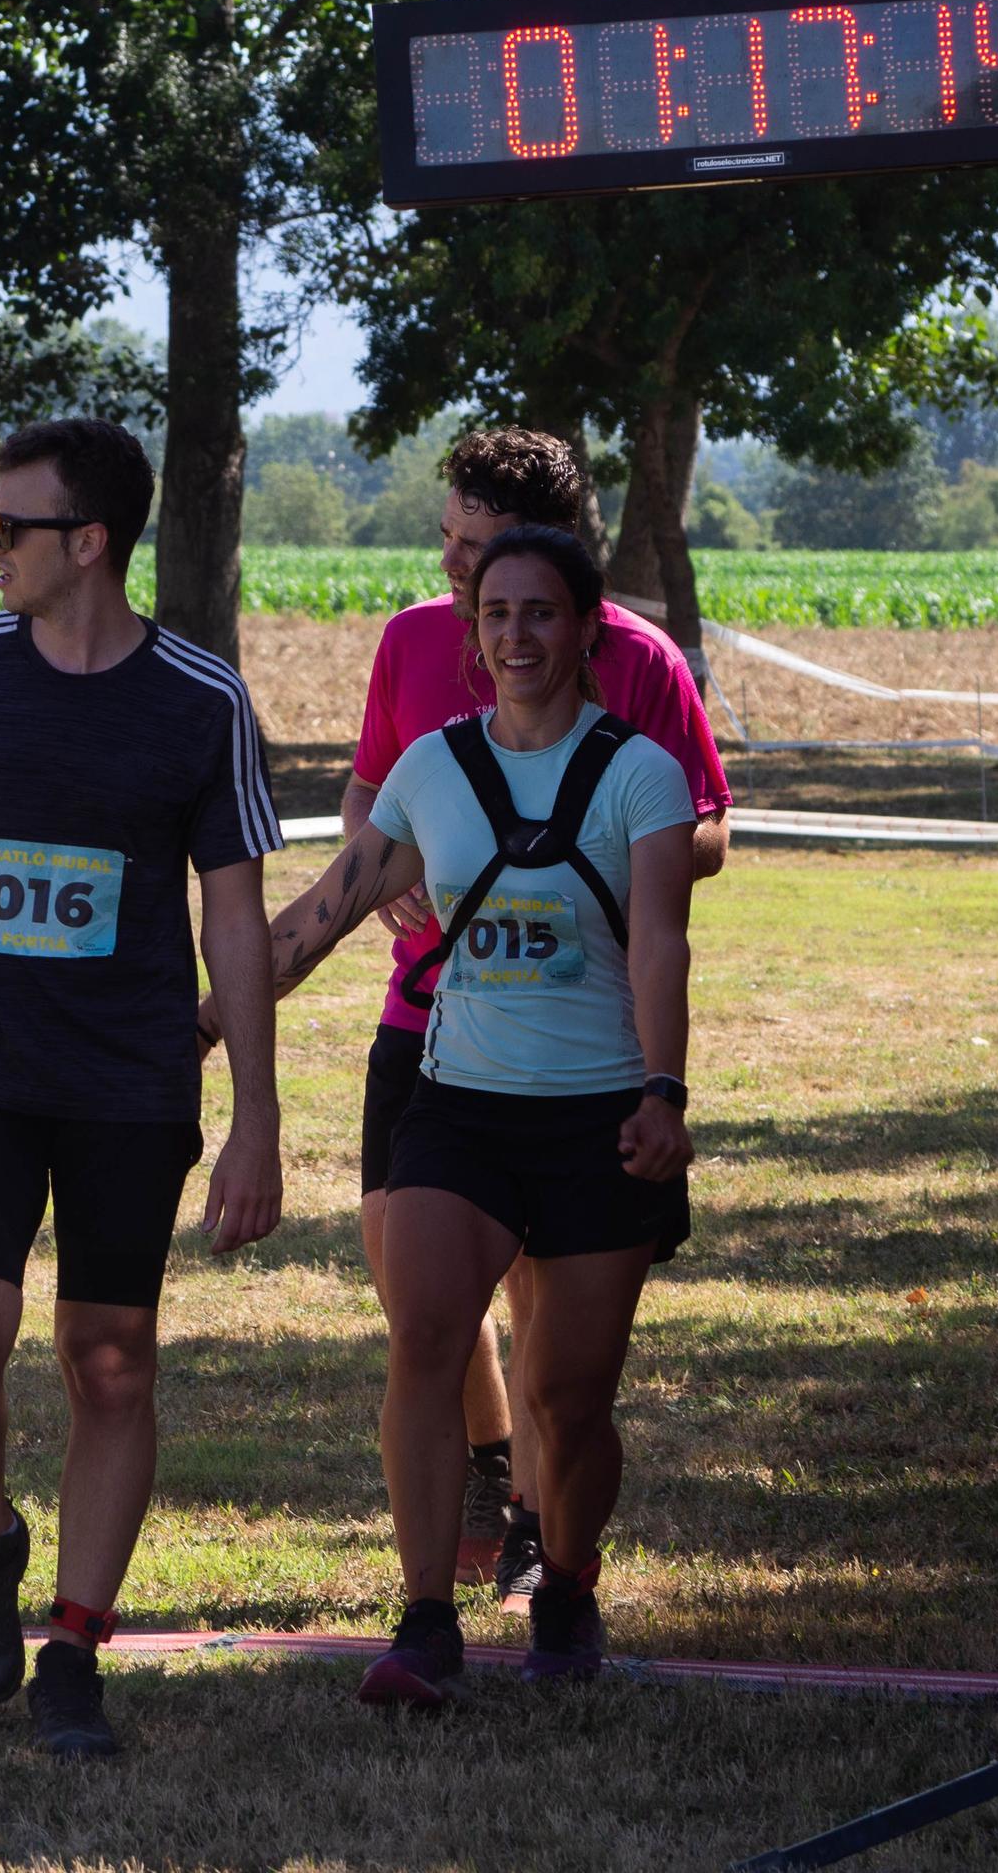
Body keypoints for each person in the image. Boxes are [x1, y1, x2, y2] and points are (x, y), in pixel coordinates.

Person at [0, 418, 284, 1760]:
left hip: (129, 1087)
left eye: (7, 527)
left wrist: (256, 1114)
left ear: (89, 543)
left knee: (109, 1361)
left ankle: (76, 1645)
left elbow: (238, 920)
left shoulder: (201, 700)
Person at [203, 525, 697, 1702]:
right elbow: (323, 912)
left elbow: (662, 944)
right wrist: (197, 1023)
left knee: (567, 1399)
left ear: (586, 630)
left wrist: (662, 1092)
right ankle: (424, 1618)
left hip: (597, 1114)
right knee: (425, 1333)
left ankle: (566, 1585)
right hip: (455, 1105)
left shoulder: (640, 773)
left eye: (538, 613)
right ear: (472, 633)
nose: (515, 635)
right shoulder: (432, 766)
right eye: (494, 614)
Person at [341, 427, 729, 1604]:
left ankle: (534, 1526)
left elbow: (703, 829)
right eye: (454, 550)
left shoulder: (641, 663)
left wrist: (584, 848)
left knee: (550, 1325)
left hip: (579, 1044)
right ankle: (487, 1467)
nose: (458, 575)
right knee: (413, 1282)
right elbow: (371, 799)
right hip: (429, 1023)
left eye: (478, 550)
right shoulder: (414, 639)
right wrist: (386, 868)